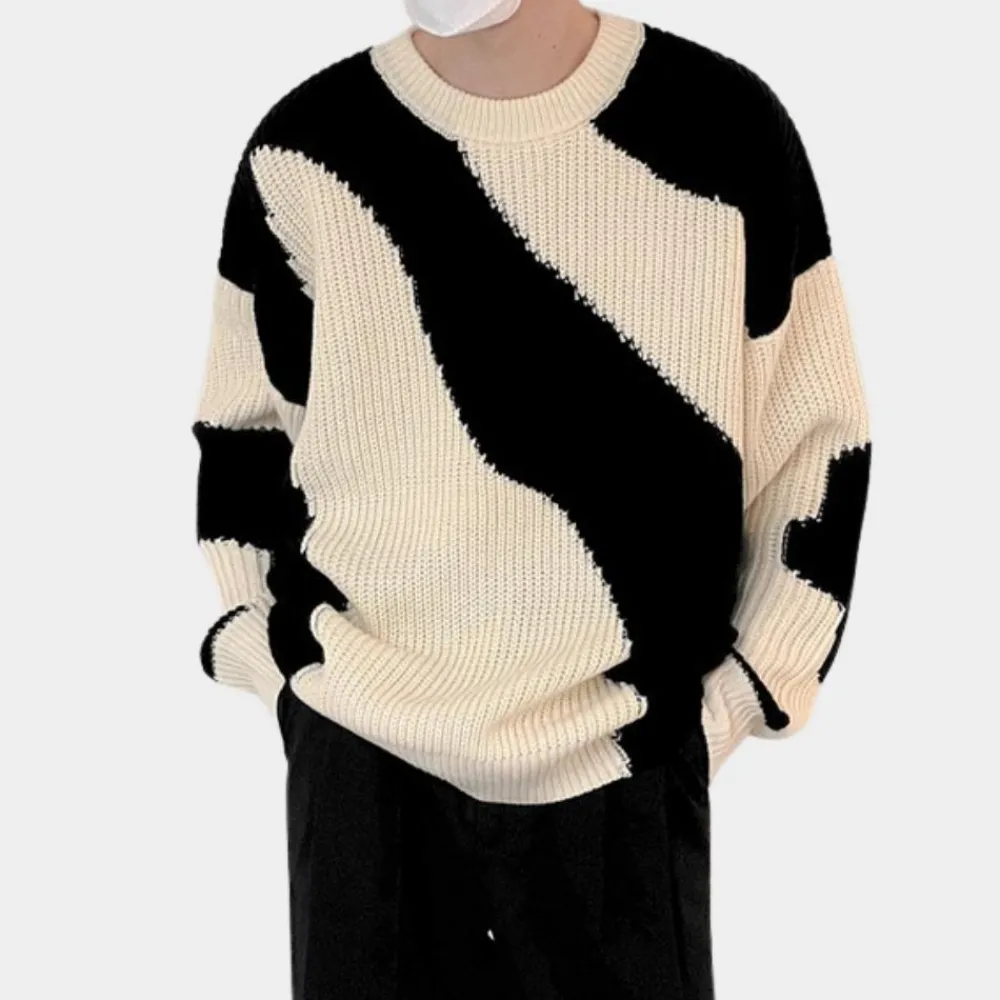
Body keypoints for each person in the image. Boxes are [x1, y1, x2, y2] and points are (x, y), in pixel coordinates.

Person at [190, 0, 872, 996]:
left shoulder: (721, 130)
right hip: (361, 766)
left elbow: (815, 444)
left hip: (622, 763)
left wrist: (735, 699)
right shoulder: (305, 149)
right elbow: (245, 437)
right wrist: (282, 674)